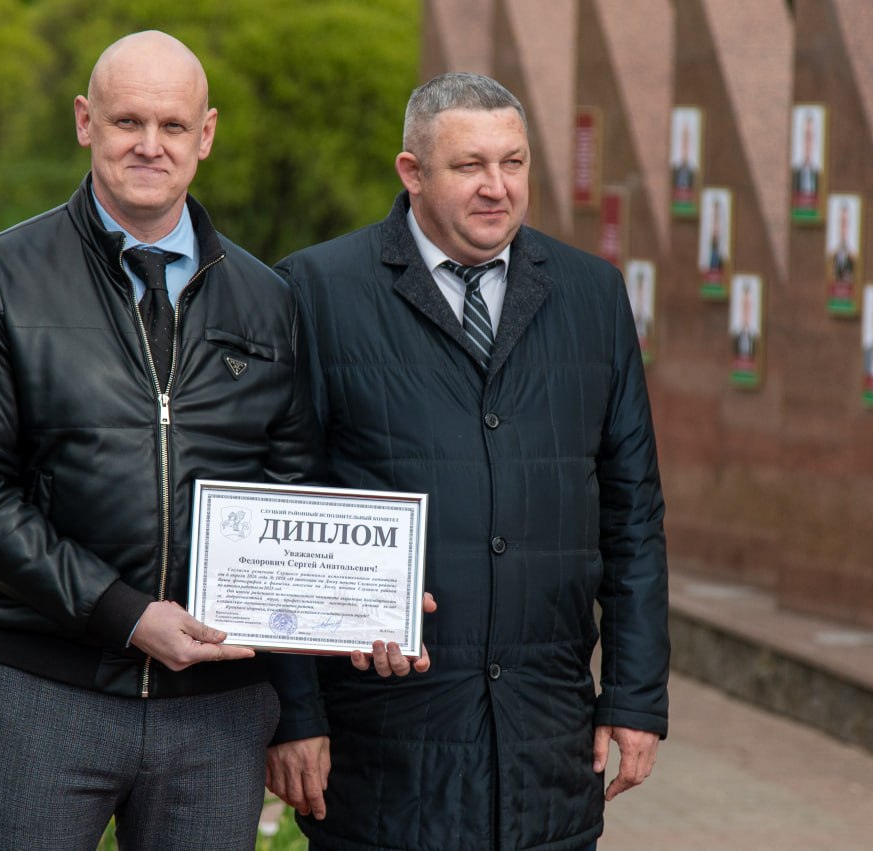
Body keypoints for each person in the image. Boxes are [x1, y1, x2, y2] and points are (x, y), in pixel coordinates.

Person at [0, 31, 418, 851]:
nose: (150, 144)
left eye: (173, 125)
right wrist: (125, 616)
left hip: (216, 715)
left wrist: (367, 601)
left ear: (206, 135)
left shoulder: (266, 299)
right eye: (127, 121)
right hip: (43, 693)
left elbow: (291, 491)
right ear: (85, 122)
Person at [267, 72, 670, 851]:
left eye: (513, 163)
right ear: (412, 172)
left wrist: (634, 694)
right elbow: (282, 502)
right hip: (384, 754)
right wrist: (294, 714)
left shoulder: (593, 294)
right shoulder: (317, 291)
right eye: (470, 166)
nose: (497, 187)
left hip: (546, 746)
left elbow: (634, 513)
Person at [791, 111, 820, 208]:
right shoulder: (794, 174)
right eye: (806, 136)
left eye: (810, 136)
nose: (808, 142)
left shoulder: (819, 174)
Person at [830, 201, 855, 285]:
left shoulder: (854, 254)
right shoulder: (831, 253)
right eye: (841, 222)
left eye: (845, 222)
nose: (842, 227)